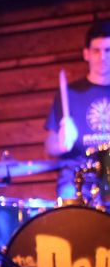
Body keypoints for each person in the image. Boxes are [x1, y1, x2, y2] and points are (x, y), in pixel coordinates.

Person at [44, 19, 110, 201]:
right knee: (69, 204)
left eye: (108, 50)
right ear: (86, 54)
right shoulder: (69, 94)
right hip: (77, 180)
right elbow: (49, 145)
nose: (102, 57)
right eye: (96, 51)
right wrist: (61, 143)